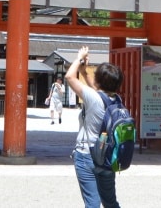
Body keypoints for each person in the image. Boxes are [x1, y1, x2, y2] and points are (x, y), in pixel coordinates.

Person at [66, 45, 124, 208]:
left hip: (87, 155)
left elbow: (70, 77)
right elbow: (97, 90)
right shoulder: (117, 100)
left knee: (92, 202)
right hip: (107, 157)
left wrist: (79, 57)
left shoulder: (93, 98)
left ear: (99, 80)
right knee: (110, 201)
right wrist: (84, 72)